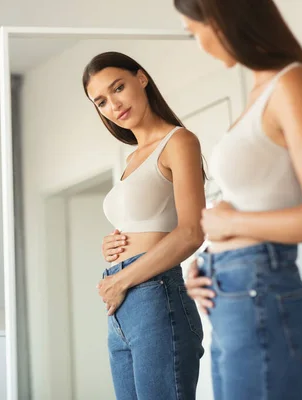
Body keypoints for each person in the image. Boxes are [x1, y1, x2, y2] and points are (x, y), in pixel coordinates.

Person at [171, 0, 302, 399]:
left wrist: (231, 226)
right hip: (233, 292)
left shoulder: (292, 83)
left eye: (192, 30)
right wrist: (208, 265)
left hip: (260, 293)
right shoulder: (261, 88)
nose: (197, 43)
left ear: (220, 17)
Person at [82, 51, 205, 400]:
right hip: (122, 306)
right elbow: (146, 221)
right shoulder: (133, 156)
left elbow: (192, 232)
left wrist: (121, 278)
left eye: (118, 87)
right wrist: (112, 246)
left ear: (141, 78)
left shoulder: (179, 141)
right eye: (101, 101)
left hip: (153, 293)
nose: (113, 105)